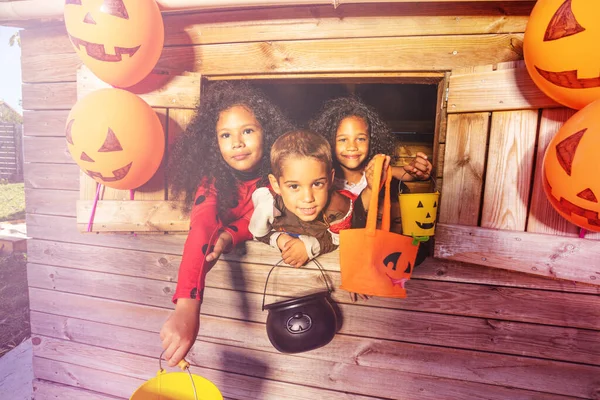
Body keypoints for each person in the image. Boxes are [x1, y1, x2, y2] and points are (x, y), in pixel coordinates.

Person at [160, 81, 293, 366]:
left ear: (265, 132)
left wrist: (229, 236)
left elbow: (261, 217)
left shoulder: (279, 177)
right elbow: (203, 227)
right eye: (225, 135)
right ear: (214, 142)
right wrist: (187, 305)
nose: (237, 143)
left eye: (247, 131)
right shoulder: (212, 182)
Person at [309, 96, 433, 229]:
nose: (352, 147)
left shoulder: (374, 171)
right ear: (328, 142)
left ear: (372, 140)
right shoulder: (325, 178)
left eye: (361, 139)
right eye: (343, 140)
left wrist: (418, 169)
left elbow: (406, 172)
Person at [249, 130, 354, 268]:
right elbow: (258, 234)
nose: (308, 198)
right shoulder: (269, 206)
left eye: (317, 184)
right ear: (276, 185)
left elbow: (340, 239)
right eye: (294, 186)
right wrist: (280, 239)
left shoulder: (338, 208)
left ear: (330, 179)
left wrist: (310, 246)